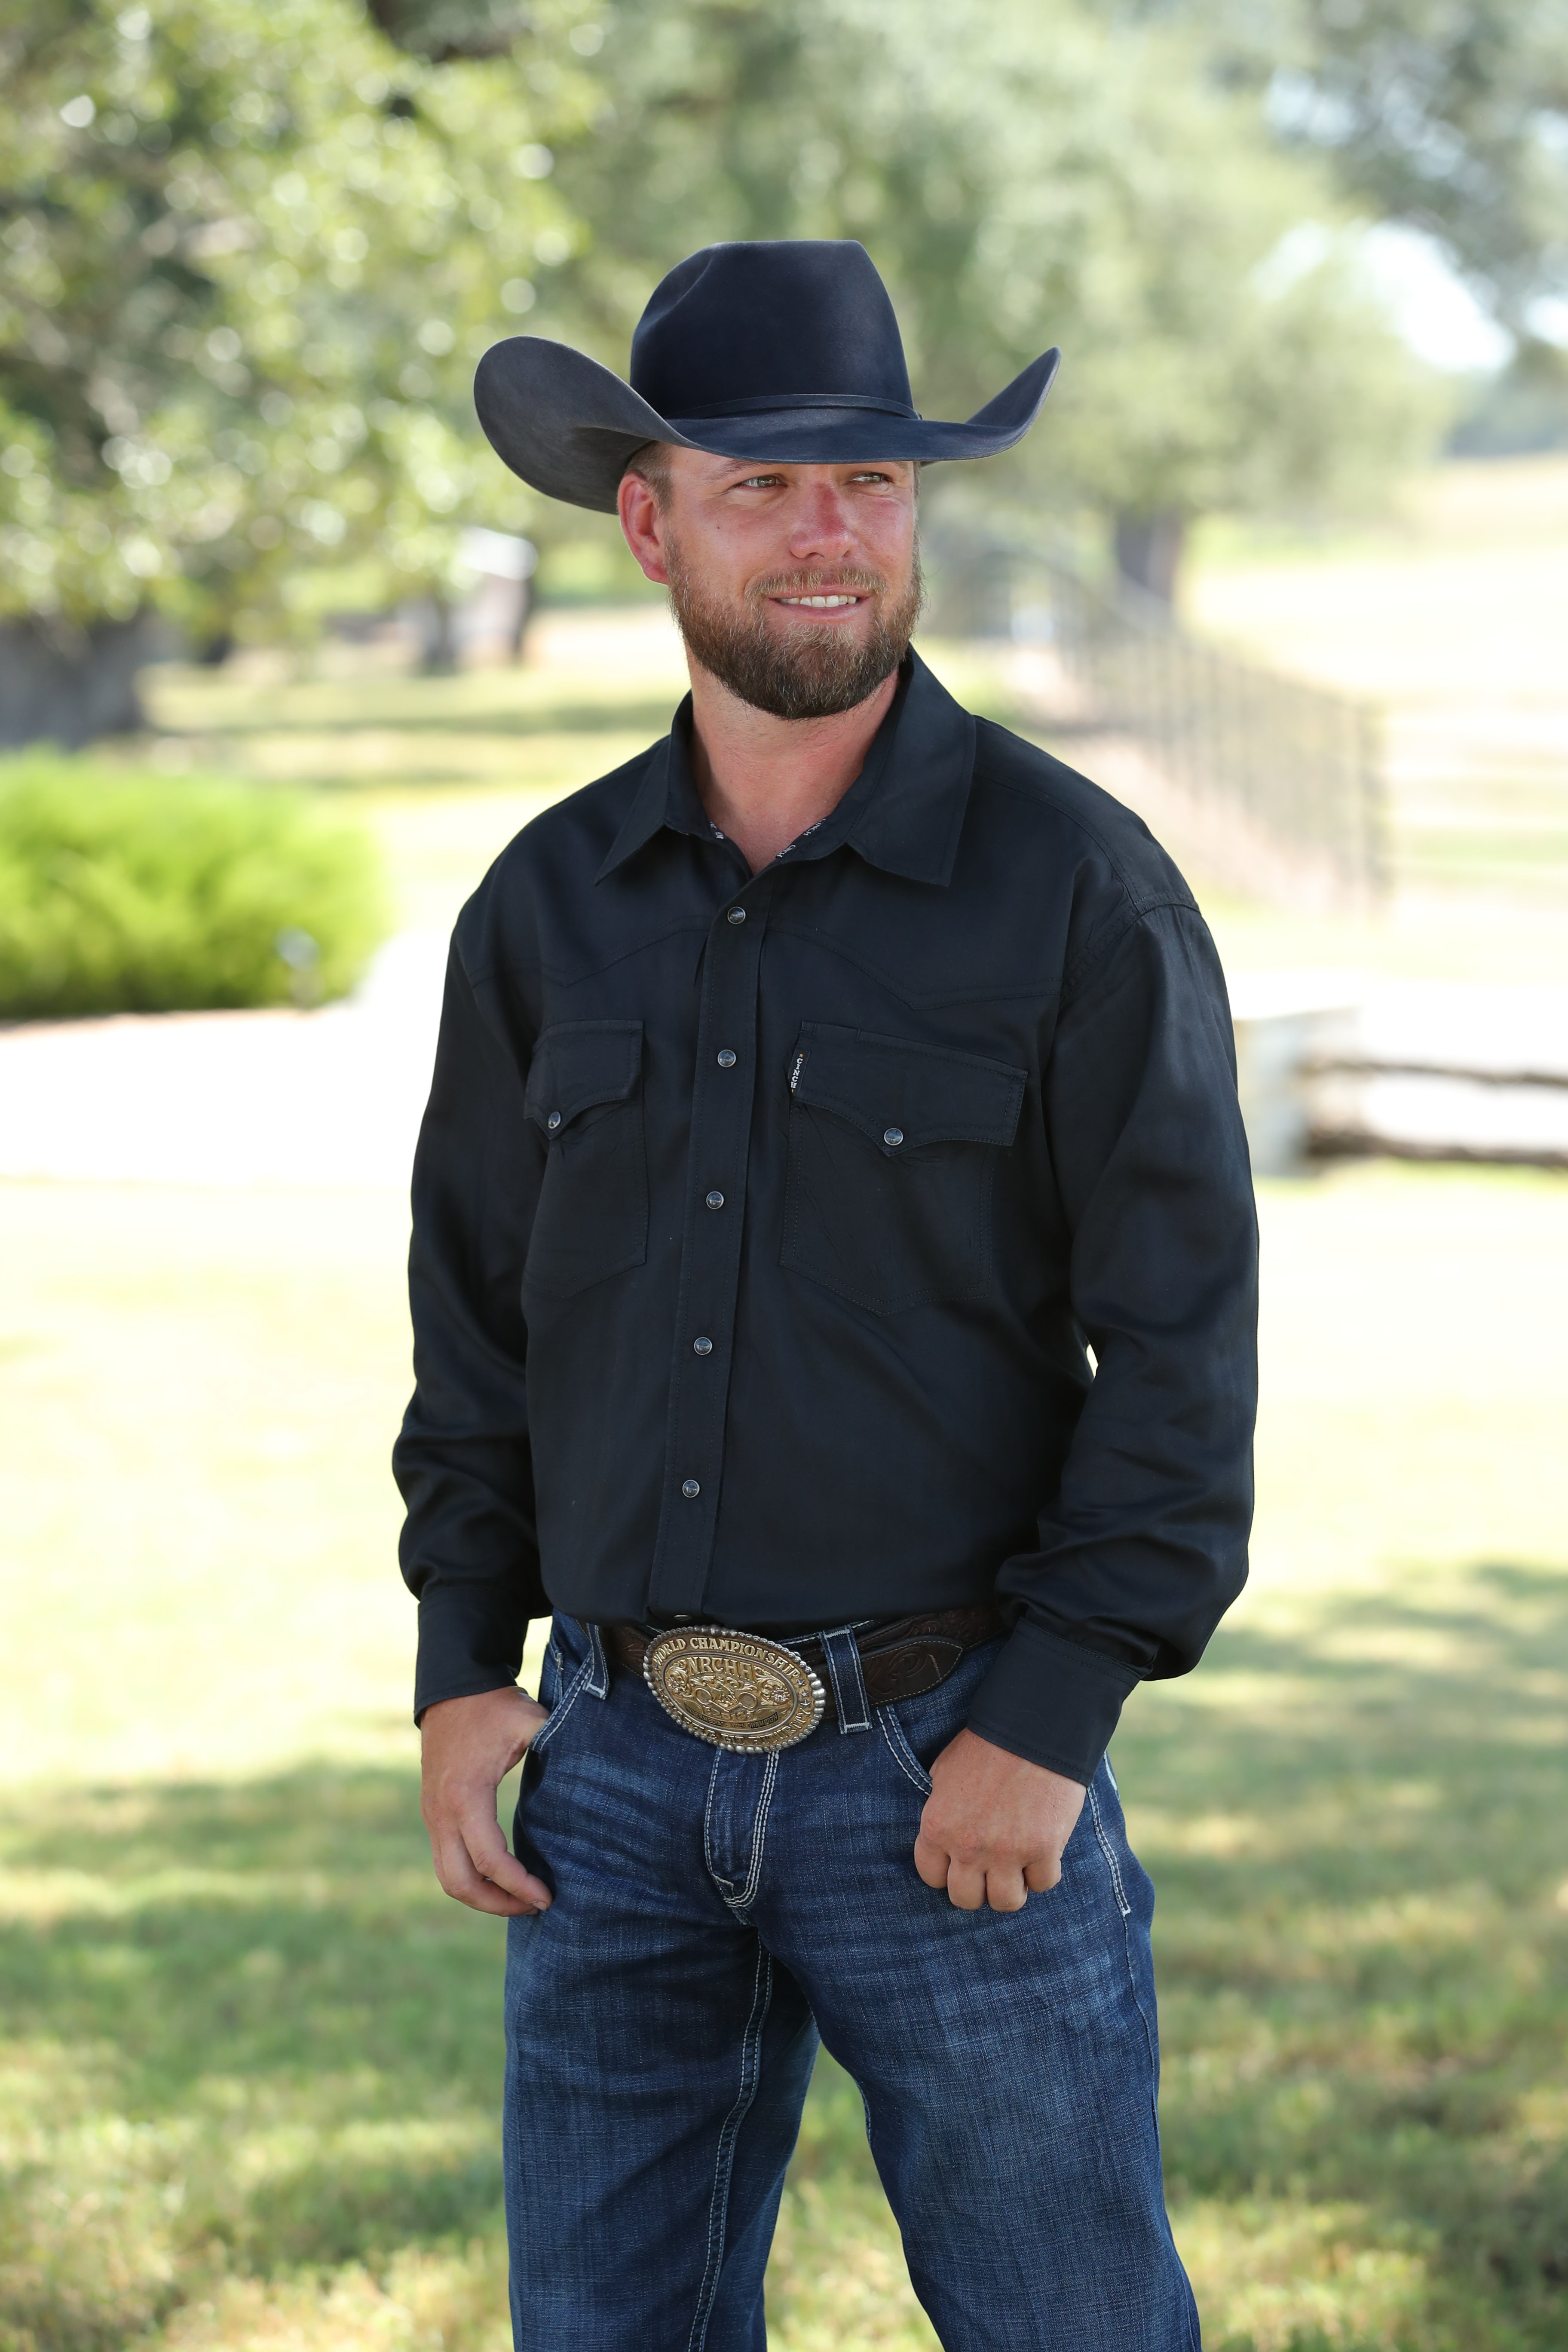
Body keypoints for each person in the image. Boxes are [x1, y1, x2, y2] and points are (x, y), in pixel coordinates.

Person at [394, 239, 1257, 2352]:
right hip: (604, 1774)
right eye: (763, 486)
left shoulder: (1079, 892)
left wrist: (1047, 1725)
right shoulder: (545, 908)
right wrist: (457, 1661)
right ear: (648, 518)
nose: (830, 533)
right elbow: (479, 1318)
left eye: (870, 481)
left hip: (953, 1779)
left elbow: (1181, 1347)